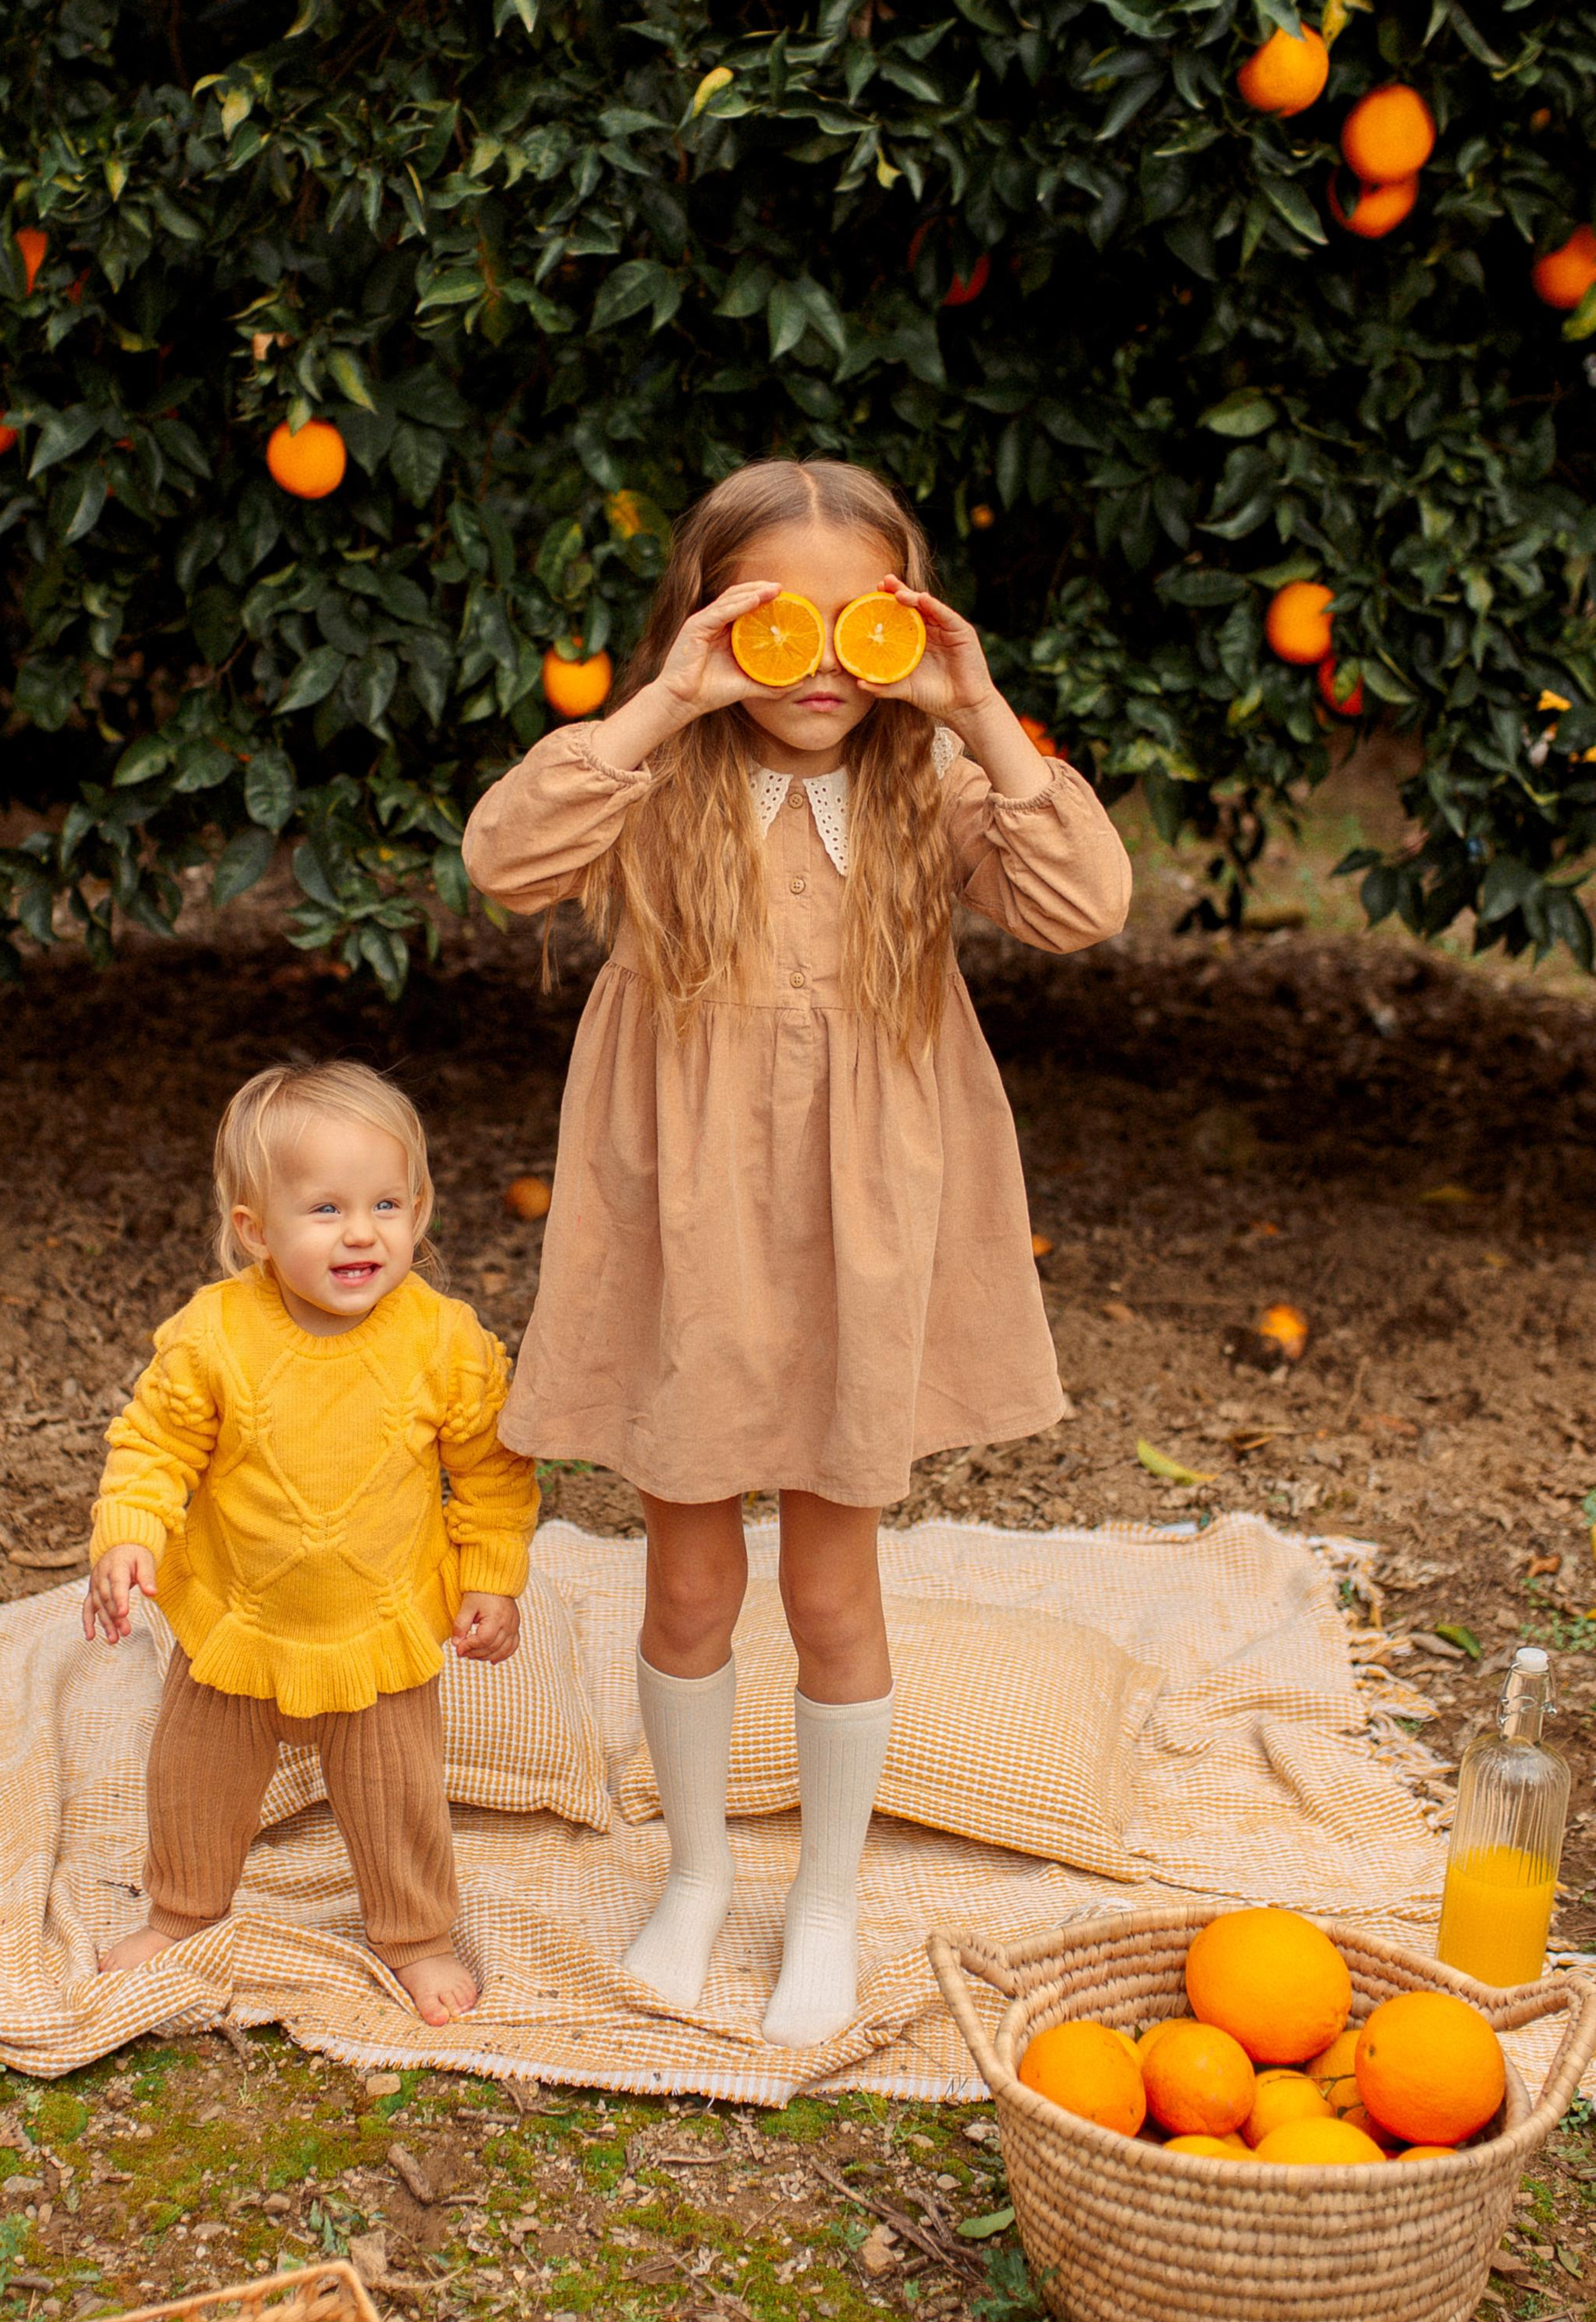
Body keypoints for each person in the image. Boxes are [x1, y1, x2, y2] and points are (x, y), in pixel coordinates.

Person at [463, 457, 1131, 2046]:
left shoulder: (935, 787)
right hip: (685, 1229)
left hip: (865, 1231)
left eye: (864, 625)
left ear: (914, 629)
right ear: (708, 621)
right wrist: (660, 704)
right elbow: (504, 861)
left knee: (834, 1588)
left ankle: (821, 1899)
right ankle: (698, 1876)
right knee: (686, 1582)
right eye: (777, 623)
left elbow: (1087, 906)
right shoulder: (657, 783)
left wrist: (981, 715)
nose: (823, 662)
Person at [83, 1061, 539, 2025]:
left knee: (396, 1796)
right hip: (237, 1613)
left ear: (418, 1209)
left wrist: (490, 1575)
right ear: (256, 1229)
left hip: (378, 1620)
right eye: (325, 1209)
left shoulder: (443, 1341)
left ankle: (414, 1936)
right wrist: (129, 1536)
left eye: (386, 1203)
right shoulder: (215, 1335)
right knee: (194, 1778)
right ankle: (182, 1910)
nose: (362, 1232)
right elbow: (153, 1446)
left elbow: (493, 1471)